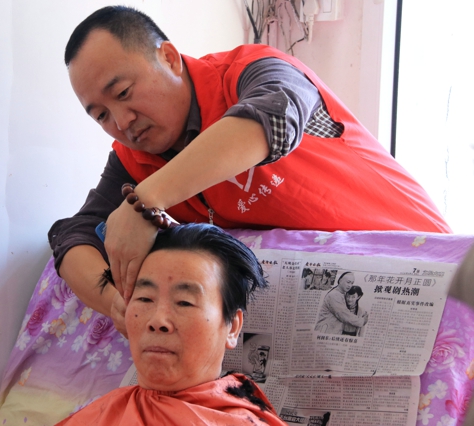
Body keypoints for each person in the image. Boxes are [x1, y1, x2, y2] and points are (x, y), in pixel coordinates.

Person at [48, 6, 451, 336]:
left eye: (123, 93)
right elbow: (73, 235)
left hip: (429, 272)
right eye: (101, 115)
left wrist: (146, 202)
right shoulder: (132, 161)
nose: (122, 122)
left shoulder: (251, 70)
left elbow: (275, 117)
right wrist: (116, 303)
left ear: (168, 58)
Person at [55, 224, 286, 425]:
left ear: (232, 327)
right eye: (144, 299)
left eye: (184, 302)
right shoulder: (93, 417)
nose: (158, 321)